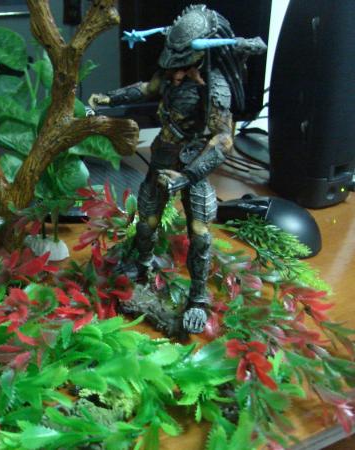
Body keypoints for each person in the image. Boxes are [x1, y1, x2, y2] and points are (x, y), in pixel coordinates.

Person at [89, 5, 266, 334]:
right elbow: (147, 89)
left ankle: (197, 298)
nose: (176, 74)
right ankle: (143, 266)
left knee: (200, 233)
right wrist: (110, 98)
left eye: (183, 67)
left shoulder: (215, 87)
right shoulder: (170, 74)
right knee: (146, 222)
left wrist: (188, 176)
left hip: (193, 166)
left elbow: (223, 140)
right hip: (161, 159)